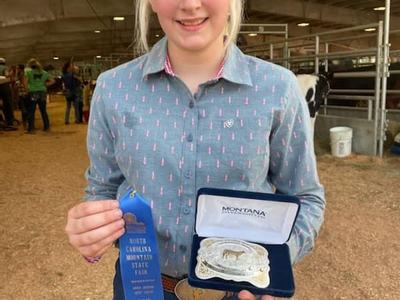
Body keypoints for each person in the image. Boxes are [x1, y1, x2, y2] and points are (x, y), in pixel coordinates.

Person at [65, 1, 325, 299]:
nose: (189, 4)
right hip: (142, 286)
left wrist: (274, 261)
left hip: (240, 290)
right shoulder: (113, 89)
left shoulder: (278, 88)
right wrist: (92, 233)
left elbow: (306, 196)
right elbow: (103, 188)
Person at [24, 58, 54, 133]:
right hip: (42, 92)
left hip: (33, 92)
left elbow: (25, 82)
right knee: (43, 110)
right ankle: (47, 127)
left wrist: (27, 90)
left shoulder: (28, 72)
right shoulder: (44, 72)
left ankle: (31, 129)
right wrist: (45, 84)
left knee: (32, 110)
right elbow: (53, 81)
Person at [0, 57, 17, 129]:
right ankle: (9, 122)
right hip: (4, 85)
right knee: (7, 104)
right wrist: (12, 73)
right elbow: (7, 75)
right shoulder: (5, 67)